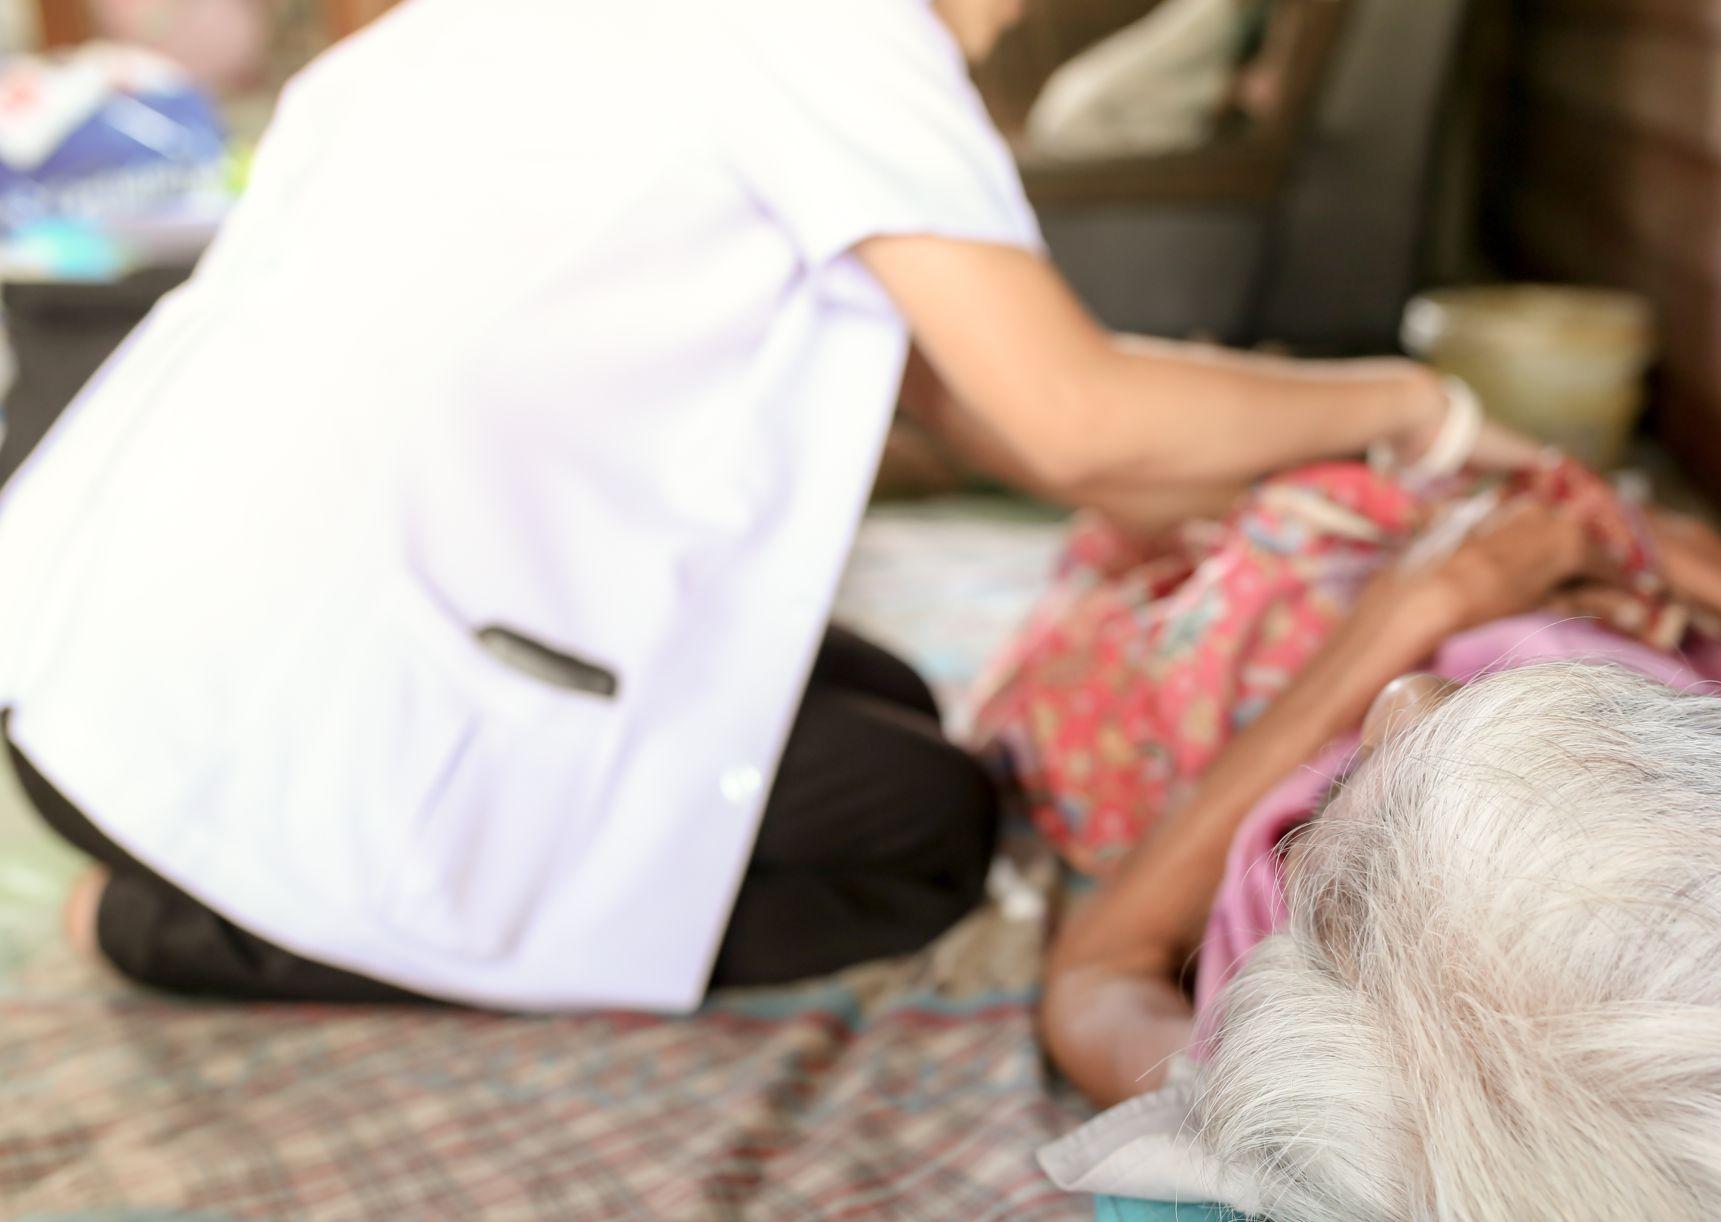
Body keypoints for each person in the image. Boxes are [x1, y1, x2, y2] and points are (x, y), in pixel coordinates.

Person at [0, 0, 1500, 1011]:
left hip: (87, 670)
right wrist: (1408, 404)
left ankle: (266, 871)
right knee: (931, 824)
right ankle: (214, 936)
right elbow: (1070, 424)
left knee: (889, 695)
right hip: (256, 726)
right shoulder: (839, 33)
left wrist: (1234, 450)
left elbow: (968, 391)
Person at [1041, 498, 1721, 1222]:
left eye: (1338, 798)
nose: (1405, 695)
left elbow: (1094, 976)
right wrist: (1668, 549)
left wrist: (1415, 611)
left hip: (1346, 631)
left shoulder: (1307, 1076)